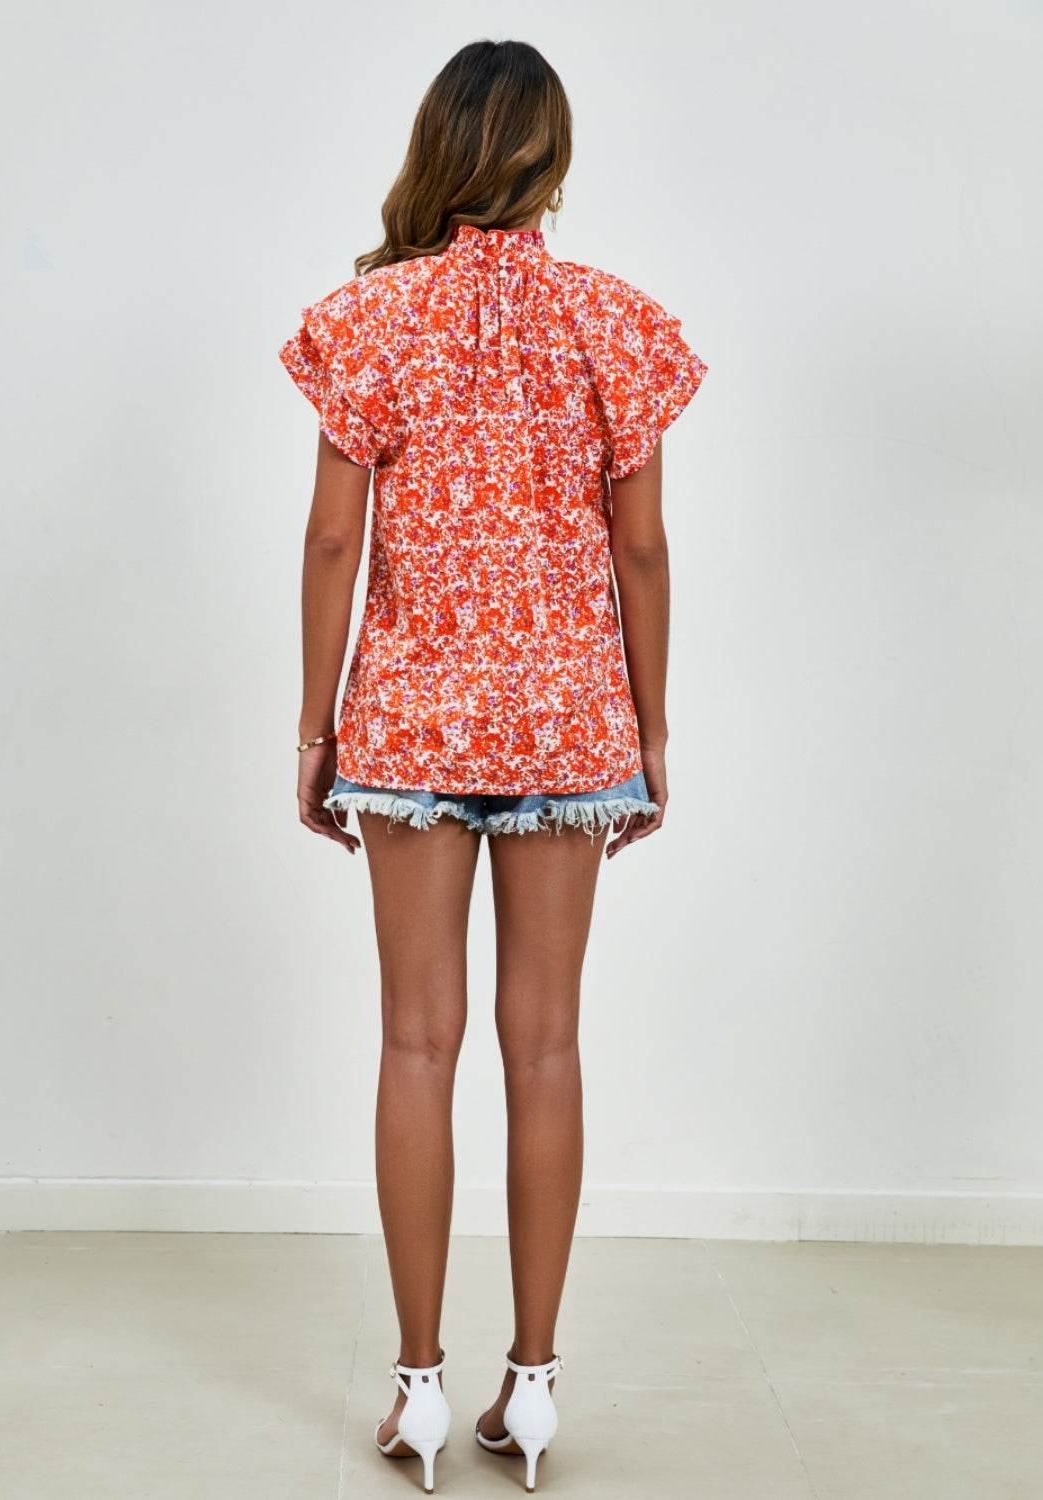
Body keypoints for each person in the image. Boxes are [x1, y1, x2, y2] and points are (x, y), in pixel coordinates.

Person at [279, 38, 706, 1494]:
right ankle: (532, 1385)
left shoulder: (369, 319)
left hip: (408, 719)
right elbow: (641, 550)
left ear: (437, 148)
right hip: (567, 720)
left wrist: (316, 731)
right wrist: (649, 729)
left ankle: (416, 1389)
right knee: (546, 1044)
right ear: (552, 160)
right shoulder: (614, 323)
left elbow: (332, 542)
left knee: (417, 1040)